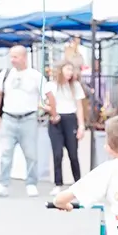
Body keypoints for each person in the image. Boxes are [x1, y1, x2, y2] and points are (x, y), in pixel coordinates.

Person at [0, 45, 55, 198]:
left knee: (31, 153)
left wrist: (51, 109)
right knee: (6, 152)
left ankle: (31, 183)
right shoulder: (5, 74)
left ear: (24, 57)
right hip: (8, 117)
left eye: (16, 56)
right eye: (11, 56)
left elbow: (48, 93)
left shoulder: (35, 75)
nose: (12, 60)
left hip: (28, 118)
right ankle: (2, 183)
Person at [47, 61, 87, 196]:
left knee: (73, 154)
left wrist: (81, 125)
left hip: (71, 119)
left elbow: (80, 106)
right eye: (68, 69)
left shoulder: (75, 86)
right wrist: (52, 113)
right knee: (57, 153)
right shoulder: (51, 85)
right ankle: (58, 183)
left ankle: (78, 183)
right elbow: (43, 103)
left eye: (72, 70)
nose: (70, 72)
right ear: (61, 70)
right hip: (56, 119)